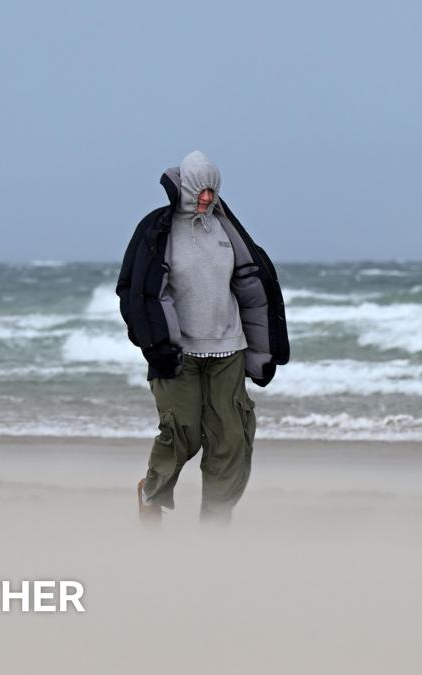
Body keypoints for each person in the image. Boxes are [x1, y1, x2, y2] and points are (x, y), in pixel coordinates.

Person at [116, 150, 288, 524]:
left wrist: (265, 351)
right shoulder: (156, 229)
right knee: (182, 433)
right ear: (185, 187)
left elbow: (252, 289)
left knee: (232, 438)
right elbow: (132, 290)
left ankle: (216, 519)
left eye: (213, 190)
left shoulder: (227, 229)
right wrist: (152, 344)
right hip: (177, 353)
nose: (207, 198)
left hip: (229, 349)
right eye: (200, 190)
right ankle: (151, 494)